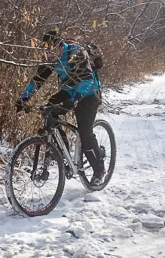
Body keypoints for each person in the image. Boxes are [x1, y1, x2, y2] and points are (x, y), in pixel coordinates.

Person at [16, 29, 105, 186]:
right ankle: (63, 155)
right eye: (47, 51)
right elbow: (37, 80)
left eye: (53, 50)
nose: (50, 55)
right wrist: (24, 99)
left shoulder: (76, 52)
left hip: (89, 93)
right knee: (49, 111)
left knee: (85, 132)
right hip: (68, 90)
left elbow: (87, 79)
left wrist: (74, 98)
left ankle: (99, 171)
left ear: (59, 45)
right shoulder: (50, 59)